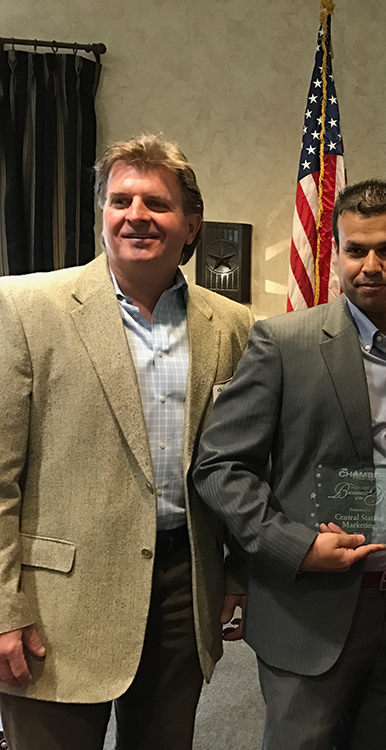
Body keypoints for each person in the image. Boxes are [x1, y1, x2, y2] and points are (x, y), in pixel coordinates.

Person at [0, 134, 254, 749]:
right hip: (55, 597)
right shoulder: (25, 307)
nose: (136, 215)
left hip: (182, 588)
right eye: (121, 200)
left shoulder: (235, 326)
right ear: (102, 213)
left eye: (157, 204)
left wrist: (237, 575)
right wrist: (4, 608)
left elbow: (248, 463)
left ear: (191, 226)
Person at [192, 179, 386, 750]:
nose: (372, 265)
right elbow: (219, 467)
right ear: (335, 253)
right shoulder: (283, 341)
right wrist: (294, 546)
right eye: (355, 249)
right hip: (308, 610)